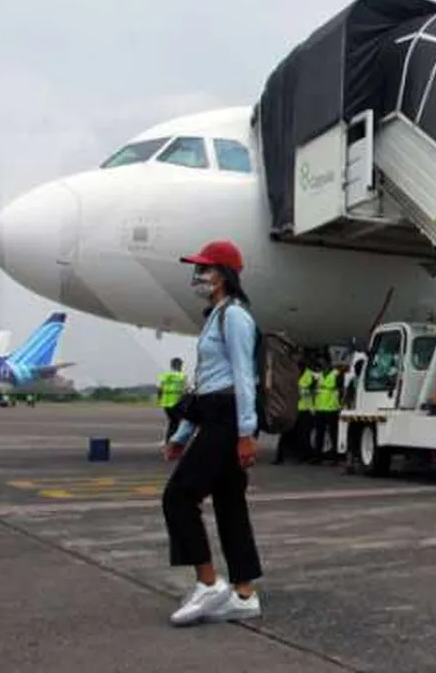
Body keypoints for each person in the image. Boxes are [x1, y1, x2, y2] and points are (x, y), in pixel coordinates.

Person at [161, 239, 264, 625]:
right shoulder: (214, 316)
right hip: (213, 414)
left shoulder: (235, 316)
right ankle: (244, 593)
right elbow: (204, 382)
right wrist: (182, 434)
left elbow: (243, 377)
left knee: (178, 497)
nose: (199, 276)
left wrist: (246, 432)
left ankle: (208, 584)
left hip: (227, 418)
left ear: (225, 275)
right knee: (229, 505)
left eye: (205, 269)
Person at [312, 360, 344, 464]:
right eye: (322, 366)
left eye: (325, 366)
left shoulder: (336, 374)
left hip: (332, 408)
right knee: (319, 434)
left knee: (333, 434)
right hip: (320, 408)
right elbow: (315, 390)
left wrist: (341, 404)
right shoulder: (319, 376)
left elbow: (341, 390)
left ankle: (335, 457)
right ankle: (318, 457)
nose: (323, 368)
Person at [158, 358, 187, 444]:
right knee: (179, 423)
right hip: (177, 403)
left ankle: (168, 441)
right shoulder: (181, 376)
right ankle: (175, 443)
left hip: (166, 404)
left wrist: (160, 400)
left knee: (173, 422)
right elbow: (185, 391)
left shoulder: (165, 375)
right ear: (178, 365)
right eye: (181, 365)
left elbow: (160, 389)